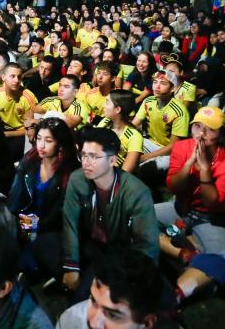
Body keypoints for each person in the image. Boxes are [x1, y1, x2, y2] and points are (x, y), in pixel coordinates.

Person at [155, 107, 225, 303]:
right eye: (197, 127)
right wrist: (188, 164)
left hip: (209, 218)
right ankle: (185, 252)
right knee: (132, 217)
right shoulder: (182, 147)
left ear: (221, 133)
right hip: (179, 208)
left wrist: (204, 169)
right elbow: (173, 187)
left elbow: (212, 203)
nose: (201, 134)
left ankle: (174, 296)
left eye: (209, 129)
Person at [62, 127, 159, 302]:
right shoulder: (77, 179)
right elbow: (70, 224)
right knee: (45, 244)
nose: (86, 162)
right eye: (83, 155)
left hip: (120, 253)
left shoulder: (136, 192)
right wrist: (71, 267)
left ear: (112, 160)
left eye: (94, 157)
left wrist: (133, 279)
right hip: (91, 246)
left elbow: (147, 246)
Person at [7, 117, 79, 282]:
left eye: (48, 140)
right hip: (23, 219)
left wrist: (36, 224)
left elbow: (63, 214)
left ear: (60, 143)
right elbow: (14, 198)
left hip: (49, 226)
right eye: (39, 138)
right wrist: (18, 219)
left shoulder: (70, 172)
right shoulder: (29, 161)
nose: (41, 145)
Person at [56, 246, 166, 329]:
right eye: (93, 301)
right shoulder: (71, 320)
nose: (93, 323)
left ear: (147, 323)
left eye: (112, 315)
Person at [132, 70, 189, 171]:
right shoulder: (148, 101)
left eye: (163, 83)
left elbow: (172, 147)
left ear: (172, 88)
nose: (157, 86)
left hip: (168, 152)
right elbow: (133, 125)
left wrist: (144, 157)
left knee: (145, 168)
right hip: (149, 143)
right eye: (155, 82)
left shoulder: (179, 111)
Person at [98, 90, 144, 173]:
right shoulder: (105, 122)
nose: (103, 105)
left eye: (107, 102)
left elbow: (125, 173)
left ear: (117, 109)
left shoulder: (135, 137)